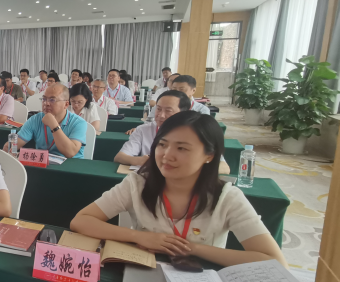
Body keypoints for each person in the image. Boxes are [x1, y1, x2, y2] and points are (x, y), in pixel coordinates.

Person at [71, 111, 285, 267]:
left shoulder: (227, 198)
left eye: (181, 148)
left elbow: (274, 261)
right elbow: (81, 221)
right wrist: (138, 236)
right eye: (162, 145)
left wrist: (192, 248)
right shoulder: (137, 184)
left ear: (209, 156)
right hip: (144, 272)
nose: (167, 155)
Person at [6, 84, 86, 159]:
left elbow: (70, 152)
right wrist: (10, 147)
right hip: (43, 165)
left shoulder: (78, 123)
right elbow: (11, 146)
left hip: (70, 166)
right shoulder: (35, 119)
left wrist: (53, 125)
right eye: (44, 99)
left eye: (52, 100)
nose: (46, 103)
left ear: (66, 104)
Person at [115, 90, 191, 167]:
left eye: (168, 111)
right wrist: (142, 160)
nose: (161, 115)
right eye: (158, 109)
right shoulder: (143, 130)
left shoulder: (191, 134)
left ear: (183, 113)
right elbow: (120, 157)